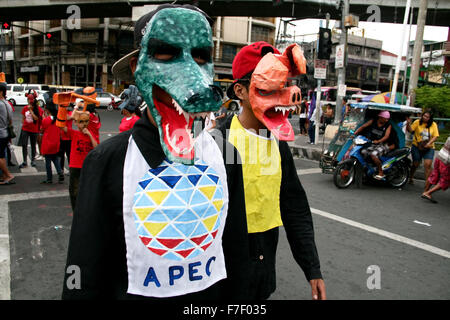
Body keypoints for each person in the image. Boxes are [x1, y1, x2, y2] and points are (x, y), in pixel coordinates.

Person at [62, 4, 250, 300]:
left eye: (200, 56)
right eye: (167, 53)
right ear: (137, 68)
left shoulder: (226, 154)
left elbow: (238, 250)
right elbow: (85, 268)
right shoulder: (106, 161)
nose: (190, 71)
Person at [220, 41, 326, 300]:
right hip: (221, 278)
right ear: (240, 90)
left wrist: (312, 269)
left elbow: (294, 206)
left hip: (262, 273)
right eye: (268, 89)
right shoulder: (217, 142)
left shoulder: (277, 144)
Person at [61, 111, 98, 210]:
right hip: (75, 166)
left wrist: (89, 135)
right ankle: (76, 211)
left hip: (87, 166)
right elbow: (61, 126)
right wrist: (62, 109)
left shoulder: (91, 134)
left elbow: (96, 148)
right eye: (81, 121)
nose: (84, 124)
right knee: (74, 190)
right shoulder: (74, 133)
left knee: (87, 190)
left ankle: (86, 209)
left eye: (86, 121)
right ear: (76, 123)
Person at [353, 111, 394, 180]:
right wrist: (355, 133)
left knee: (373, 154)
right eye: (385, 118)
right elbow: (363, 126)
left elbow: (386, 136)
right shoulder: (373, 121)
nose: (387, 120)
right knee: (363, 151)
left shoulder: (388, 125)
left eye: (387, 119)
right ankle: (370, 167)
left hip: (382, 144)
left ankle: (381, 172)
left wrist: (378, 141)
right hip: (372, 142)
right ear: (380, 117)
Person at [406, 111, 439, 185]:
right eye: (424, 116)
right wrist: (408, 123)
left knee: (427, 165)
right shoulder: (417, 122)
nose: (425, 118)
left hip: (429, 147)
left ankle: (427, 184)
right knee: (415, 164)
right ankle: (410, 177)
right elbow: (411, 130)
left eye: (427, 117)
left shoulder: (433, 124)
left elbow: (435, 136)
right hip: (417, 146)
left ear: (430, 118)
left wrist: (429, 143)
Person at [40, 98, 64, 184]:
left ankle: (49, 178)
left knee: (48, 162)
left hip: (48, 142)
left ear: (47, 109)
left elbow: (42, 130)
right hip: (56, 142)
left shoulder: (46, 120)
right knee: (55, 159)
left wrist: (44, 118)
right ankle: (60, 172)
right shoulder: (57, 119)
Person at [18, 90, 43, 168]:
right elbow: (23, 118)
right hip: (25, 129)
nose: (29, 101)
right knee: (24, 145)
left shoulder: (38, 109)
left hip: (34, 130)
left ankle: (33, 160)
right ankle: (24, 161)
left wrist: (31, 110)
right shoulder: (25, 108)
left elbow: (36, 118)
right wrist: (24, 125)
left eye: (31, 100)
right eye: (28, 100)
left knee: (33, 145)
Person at [421, 136, 450, 203]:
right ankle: (427, 193)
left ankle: (425, 191)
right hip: (446, 161)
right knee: (445, 180)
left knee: (434, 175)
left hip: (440, 156)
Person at [0, 82, 15, 185]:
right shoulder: (7, 104)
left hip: (0, 133)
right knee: (2, 155)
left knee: (0, 156)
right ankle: (5, 175)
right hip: (5, 133)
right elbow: (10, 120)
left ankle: (8, 175)